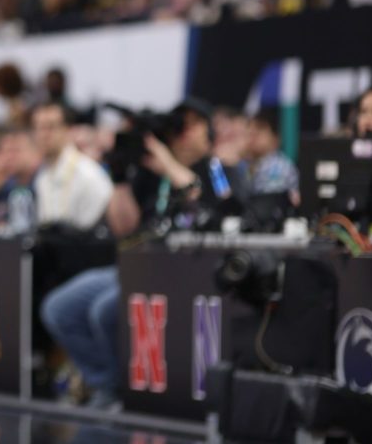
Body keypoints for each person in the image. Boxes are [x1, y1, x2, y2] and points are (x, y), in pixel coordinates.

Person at [40, 103, 238, 411]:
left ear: (207, 130)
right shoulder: (149, 173)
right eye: (178, 128)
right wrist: (119, 176)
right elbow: (124, 227)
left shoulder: (215, 168)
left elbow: (211, 204)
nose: (182, 135)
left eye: (190, 126)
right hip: (138, 268)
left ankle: (122, 391)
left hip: (187, 275)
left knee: (105, 311)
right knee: (59, 307)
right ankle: (108, 383)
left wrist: (166, 162)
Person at [31, 103, 113, 231]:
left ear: (68, 130)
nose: (43, 135)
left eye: (50, 127)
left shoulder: (88, 174)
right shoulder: (42, 174)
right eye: (38, 128)